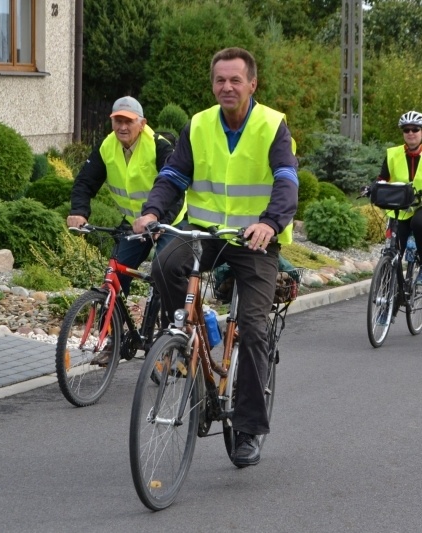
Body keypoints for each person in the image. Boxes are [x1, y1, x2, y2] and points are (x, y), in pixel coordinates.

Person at [133, 47, 298, 468]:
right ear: (213, 84)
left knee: (254, 329)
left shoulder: (271, 125)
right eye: (220, 80)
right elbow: (173, 175)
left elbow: (285, 179)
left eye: (235, 80)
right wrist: (152, 211)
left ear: (252, 84)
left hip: (255, 239)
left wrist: (270, 223)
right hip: (205, 232)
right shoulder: (200, 124)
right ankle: (190, 339)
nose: (227, 87)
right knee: (165, 266)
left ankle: (247, 429)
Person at [68, 96, 186, 296]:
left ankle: (172, 322)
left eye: (128, 121)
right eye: (118, 121)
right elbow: (84, 182)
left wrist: (162, 221)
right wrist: (79, 211)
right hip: (135, 222)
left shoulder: (159, 146)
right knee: (116, 274)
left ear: (142, 124)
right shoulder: (106, 147)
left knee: (164, 271)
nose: (122, 127)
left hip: (170, 220)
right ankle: (115, 323)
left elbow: (175, 188)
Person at [374, 110, 422, 287]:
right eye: (406, 130)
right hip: (403, 205)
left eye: (415, 129)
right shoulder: (393, 154)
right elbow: (382, 178)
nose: (410, 133)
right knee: (394, 245)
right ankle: (391, 286)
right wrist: (372, 187)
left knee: (419, 223)